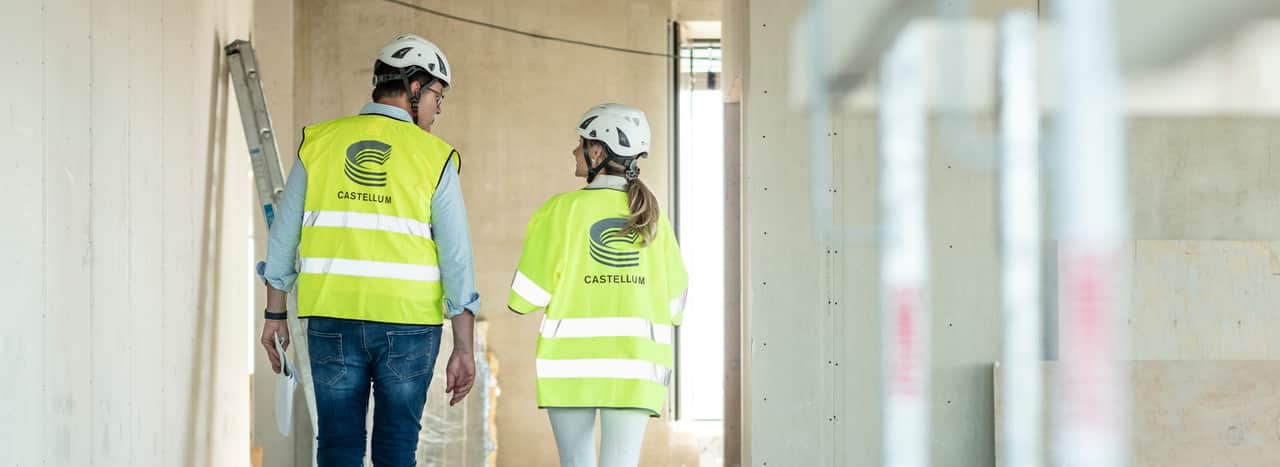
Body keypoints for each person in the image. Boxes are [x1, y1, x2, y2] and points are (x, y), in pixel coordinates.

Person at [258, 33, 480, 467]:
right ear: (415, 87)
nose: (439, 107)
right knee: (397, 451)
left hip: (331, 319)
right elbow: (457, 259)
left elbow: (283, 237)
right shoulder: (435, 158)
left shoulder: (318, 144)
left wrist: (274, 315)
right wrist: (464, 346)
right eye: (438, 94)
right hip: (409, 327)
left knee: (338, 447)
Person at [508, 103, 689, 467]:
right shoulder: (655, 219)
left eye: (581, 143)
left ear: (597, 151)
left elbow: (525, 297)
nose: (575, 151)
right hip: (637, 370)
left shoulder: (560, 211)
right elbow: (675, 305)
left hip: (571, 369)